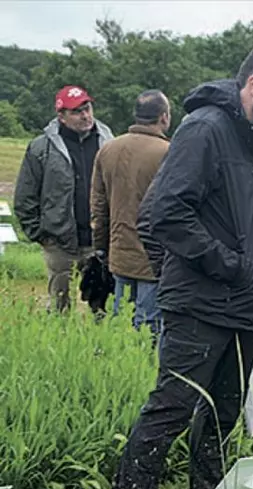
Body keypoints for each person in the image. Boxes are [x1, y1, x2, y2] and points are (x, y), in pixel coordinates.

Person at [100, 42, 253, 489]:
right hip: (202, 302)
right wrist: (227, 264)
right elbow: (163, 213)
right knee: (171, 409)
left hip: (247, 306)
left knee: (224, 410)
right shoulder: (207, 129)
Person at [14, 85, 114, 311]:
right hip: (59, 241)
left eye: (87, 108)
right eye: (77, 111)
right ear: (61, 116)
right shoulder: (42, 147)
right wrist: (40, 234)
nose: (85, 115)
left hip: (98, 238)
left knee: (102, 306)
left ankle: (101, 345)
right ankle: (60, 341)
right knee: (59, 306)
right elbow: (25, 196)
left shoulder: (108, 142)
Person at [90, 90, 171, 334]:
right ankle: (142, 372)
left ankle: (118, 369)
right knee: (149, 329)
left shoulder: (108, 149)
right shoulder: (168, 152)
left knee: (120, 323)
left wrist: (101, 248)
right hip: (153, 260)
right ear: (164, 117)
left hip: (118, 254)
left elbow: (98, 206)